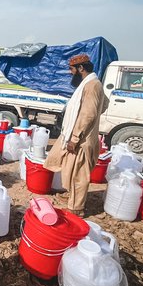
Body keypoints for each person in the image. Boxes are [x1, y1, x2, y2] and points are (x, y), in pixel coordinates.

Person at [44, 54, 109, 217]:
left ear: (81, 68)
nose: (70, 73)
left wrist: (75, 137)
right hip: (80, 133)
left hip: (82, 138)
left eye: (71, 69)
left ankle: (76, 208)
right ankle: (73, 198)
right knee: (69, 168)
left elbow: (88, 114)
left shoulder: (92, 86)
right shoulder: (92, 84)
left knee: (78, 173)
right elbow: (103, 105)